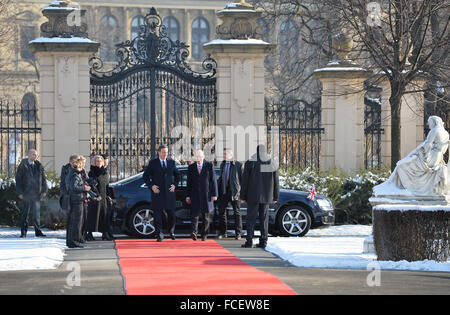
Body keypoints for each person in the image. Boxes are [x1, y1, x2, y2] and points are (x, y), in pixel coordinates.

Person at [240, 144, 279, 249]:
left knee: (250, 219)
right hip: (266, 196)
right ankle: (263, 241)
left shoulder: (250, 163)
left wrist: (242, 196)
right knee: (264, 219)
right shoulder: (272, 163)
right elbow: (276, 182)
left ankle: (249, 241)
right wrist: (276, 196)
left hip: (252, 195)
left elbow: (245, 181)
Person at [143, 145, 180, 242]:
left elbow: (177, 175)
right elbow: (145, 176)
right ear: (158, 152)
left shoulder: (171, 162)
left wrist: (175, 185)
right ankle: (159, 233)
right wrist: (152, 186)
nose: (165, 154)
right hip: (157, 193)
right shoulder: (153, 163)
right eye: (163, 152)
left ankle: (171, 232)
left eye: (166, 152)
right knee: (158, 214)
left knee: (171, 214)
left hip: (169, 193)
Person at [15, 149, 48, 238]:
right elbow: (18, 180)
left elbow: (44, 179)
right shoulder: (23, 165)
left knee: (37, 214)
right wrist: (20, 192)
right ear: (28, 155)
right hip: (26, 194)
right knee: (25, 214)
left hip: (37, 194)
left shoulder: (39, 166)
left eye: (36, 154)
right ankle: (23, 232)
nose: (35, 156)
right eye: (33, 154)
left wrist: (44, 190)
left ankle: (38, 231)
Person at [186, 150, 218, 241]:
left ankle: (204, 235)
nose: (198, 159)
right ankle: (194, 232)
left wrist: (214, 194)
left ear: (203, 157)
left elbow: (213, 181)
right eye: (197, 157)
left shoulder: (209, 166)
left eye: (200, 157)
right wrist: (188, 195)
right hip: (195, 195)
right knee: (194, 216)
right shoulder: (191, 167)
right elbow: (189, 183)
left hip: (206, 196)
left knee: (206, 217)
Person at [216, 148, 243, 240]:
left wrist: (240, 192)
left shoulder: (238, 165)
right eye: (223, 154)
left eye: (225, 154)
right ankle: (223, 232)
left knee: (237, 213)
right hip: (224, 191)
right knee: (222, 212)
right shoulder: (222, 164)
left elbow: (242, 180)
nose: (224, 156)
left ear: (231, 155)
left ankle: (238, 233)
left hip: (235, 192)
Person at [66, 157, 91, 248]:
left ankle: (73, 240)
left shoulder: (73, 173)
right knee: (76, 222)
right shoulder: (76, 175)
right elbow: (73, 187)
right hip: (77, 200)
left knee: (76, 222)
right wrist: (85, 188)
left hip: (76, 199)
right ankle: (74, 241)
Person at [87, 155, 112, 241]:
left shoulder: (105, 172)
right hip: (95, 197)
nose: (99, 162)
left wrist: (108, 195)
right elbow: (92, 185)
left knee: (104, 215)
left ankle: (105, 234)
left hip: (104, 196)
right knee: (93, 216)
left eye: (100, 161)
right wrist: (97, 195)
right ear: (94, 162)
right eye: (97, 161)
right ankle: (89, 233)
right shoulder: (92, 172)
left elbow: (107, 185)